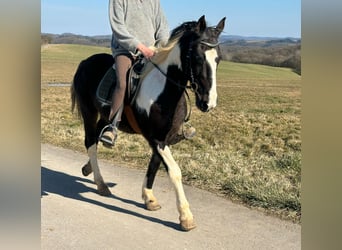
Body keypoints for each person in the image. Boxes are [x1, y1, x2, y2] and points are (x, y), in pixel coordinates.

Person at [100, 0, 195, 148]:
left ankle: (178, 125)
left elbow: (162, 26)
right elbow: (118, 28)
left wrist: (161, 47)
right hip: (126, 50)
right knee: (123, 83)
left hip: (152, 51)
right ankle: (112, 127)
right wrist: (140, 47)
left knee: (169, 77)